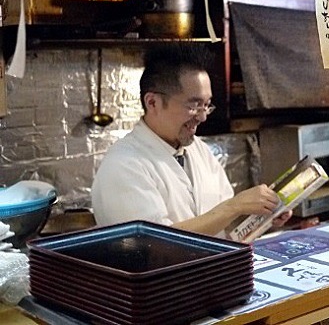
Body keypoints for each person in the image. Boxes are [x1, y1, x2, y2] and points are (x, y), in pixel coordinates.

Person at [91, 44, 292, 239]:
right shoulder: (123, 164)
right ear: (152, 102)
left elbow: (224, 226)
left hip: (213, 271)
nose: (203, 117)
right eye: (194, 106)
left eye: (206, 105)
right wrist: (234, 206)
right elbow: (157, 244)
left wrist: (261, 217)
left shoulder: (198, 150)